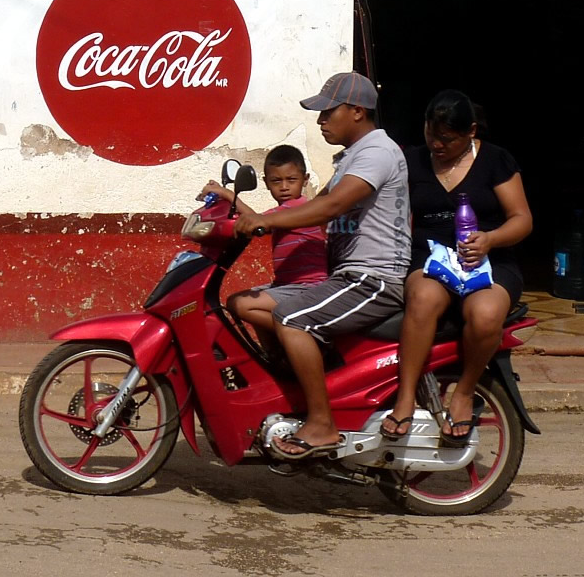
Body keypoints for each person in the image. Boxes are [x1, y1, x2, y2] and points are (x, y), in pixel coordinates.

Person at [205, 72, 411, 459]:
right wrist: (245, 216)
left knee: (292, 318)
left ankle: (321, 424)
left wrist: (267, 220)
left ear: (356, 111)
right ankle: (294, 382)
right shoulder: (353, 157)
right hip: (348, 277)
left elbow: (328, 207)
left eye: (327, 113)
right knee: (253, 305)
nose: (320, 122)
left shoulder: (377, 151)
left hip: (373, 278)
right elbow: (313, 212)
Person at [380, 90, 532, 446]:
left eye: (447, 139)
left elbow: (522, 219)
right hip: (430, 256)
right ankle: (405, 397)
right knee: (422, 299)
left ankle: (464, 393)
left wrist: (490, 240)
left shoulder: (496, 160)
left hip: (488, 259)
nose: (436, 144)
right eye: (431, 134)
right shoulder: (412, 161)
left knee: (485, 314)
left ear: (471, 132)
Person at [219, 145, 327, 349]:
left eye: (291, 180)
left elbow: (256, 220)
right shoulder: (281, 213)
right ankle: (275, 355)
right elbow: (257, 220)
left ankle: (301, 332)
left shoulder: (299, 207)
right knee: (245, 303)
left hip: (307, 287)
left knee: (240, 304)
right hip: (285, 285)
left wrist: (225, 194)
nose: (284, 187)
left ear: (305, 180)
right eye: (277, 181)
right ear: (266, 183)